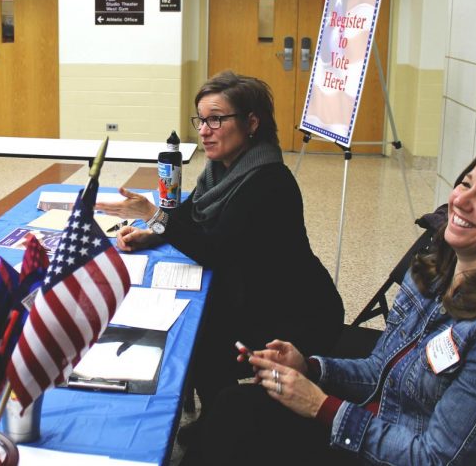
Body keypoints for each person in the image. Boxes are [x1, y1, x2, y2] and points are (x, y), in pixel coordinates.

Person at [189, 143, 476, 465]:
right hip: (375, 422)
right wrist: (311, 368)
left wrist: (321, 407)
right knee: (234, 407)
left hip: (396, 451)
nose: (461, 200)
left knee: (237, 424)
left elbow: (437, 457)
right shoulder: (433, 273)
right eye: (466, 183)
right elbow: (381, 370)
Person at [96, 71, 344, 442]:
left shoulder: (267, 181)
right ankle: (216, 413)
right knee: (195, 325)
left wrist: (155, 215)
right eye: (201, 120)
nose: (204, 130)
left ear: (251, 123)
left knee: (198, 334)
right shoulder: (221, 170)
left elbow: (214, 250)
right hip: (252, 289)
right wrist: (153, 233)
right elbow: (190, 213)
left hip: (295, 312)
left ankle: (220, 425)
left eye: (216, 119)